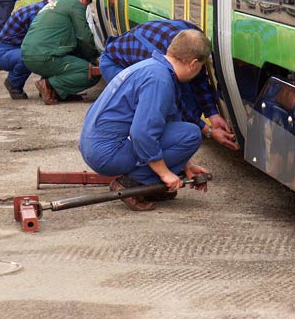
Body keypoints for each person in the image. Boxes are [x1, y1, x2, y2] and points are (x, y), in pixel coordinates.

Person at [79, 29, 212, 211]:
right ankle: (132, 184)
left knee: (180, 130)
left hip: (94, 146)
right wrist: (165, 173)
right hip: (107, 154)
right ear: (194, 64)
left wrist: (185, 165)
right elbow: (142, 134)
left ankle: (146, 181)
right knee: (190, 134)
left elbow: (167, 124)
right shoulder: (160, 80)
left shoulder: (152, 67)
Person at [100, 19, 240, 151]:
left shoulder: (191, 42)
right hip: (114, 63)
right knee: (153, 112)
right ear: (192, 63)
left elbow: (199, 78)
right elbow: (175, 102)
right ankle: (139, 155)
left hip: (144, 53)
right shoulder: (158, 67)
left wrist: (213, 115)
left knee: (187, 101)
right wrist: (208, 131)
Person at [21, 0, 101, 105]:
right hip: (45, 57)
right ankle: (49, 85)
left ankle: (56, 91)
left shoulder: (54, 4)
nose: (85, 8)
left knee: (76, 61)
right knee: (92, 72)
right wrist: (93, 58)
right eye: (87, 5)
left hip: (28, 55)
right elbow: (84, 37)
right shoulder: (75, 5)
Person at [0, 0, 69, 100]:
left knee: (48, 52)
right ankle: (13, 84)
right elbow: (40, 45)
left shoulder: (47, 9)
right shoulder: (39, 13)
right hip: (6, 51)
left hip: (19, 47)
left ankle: (46, 86)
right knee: (30, 56)